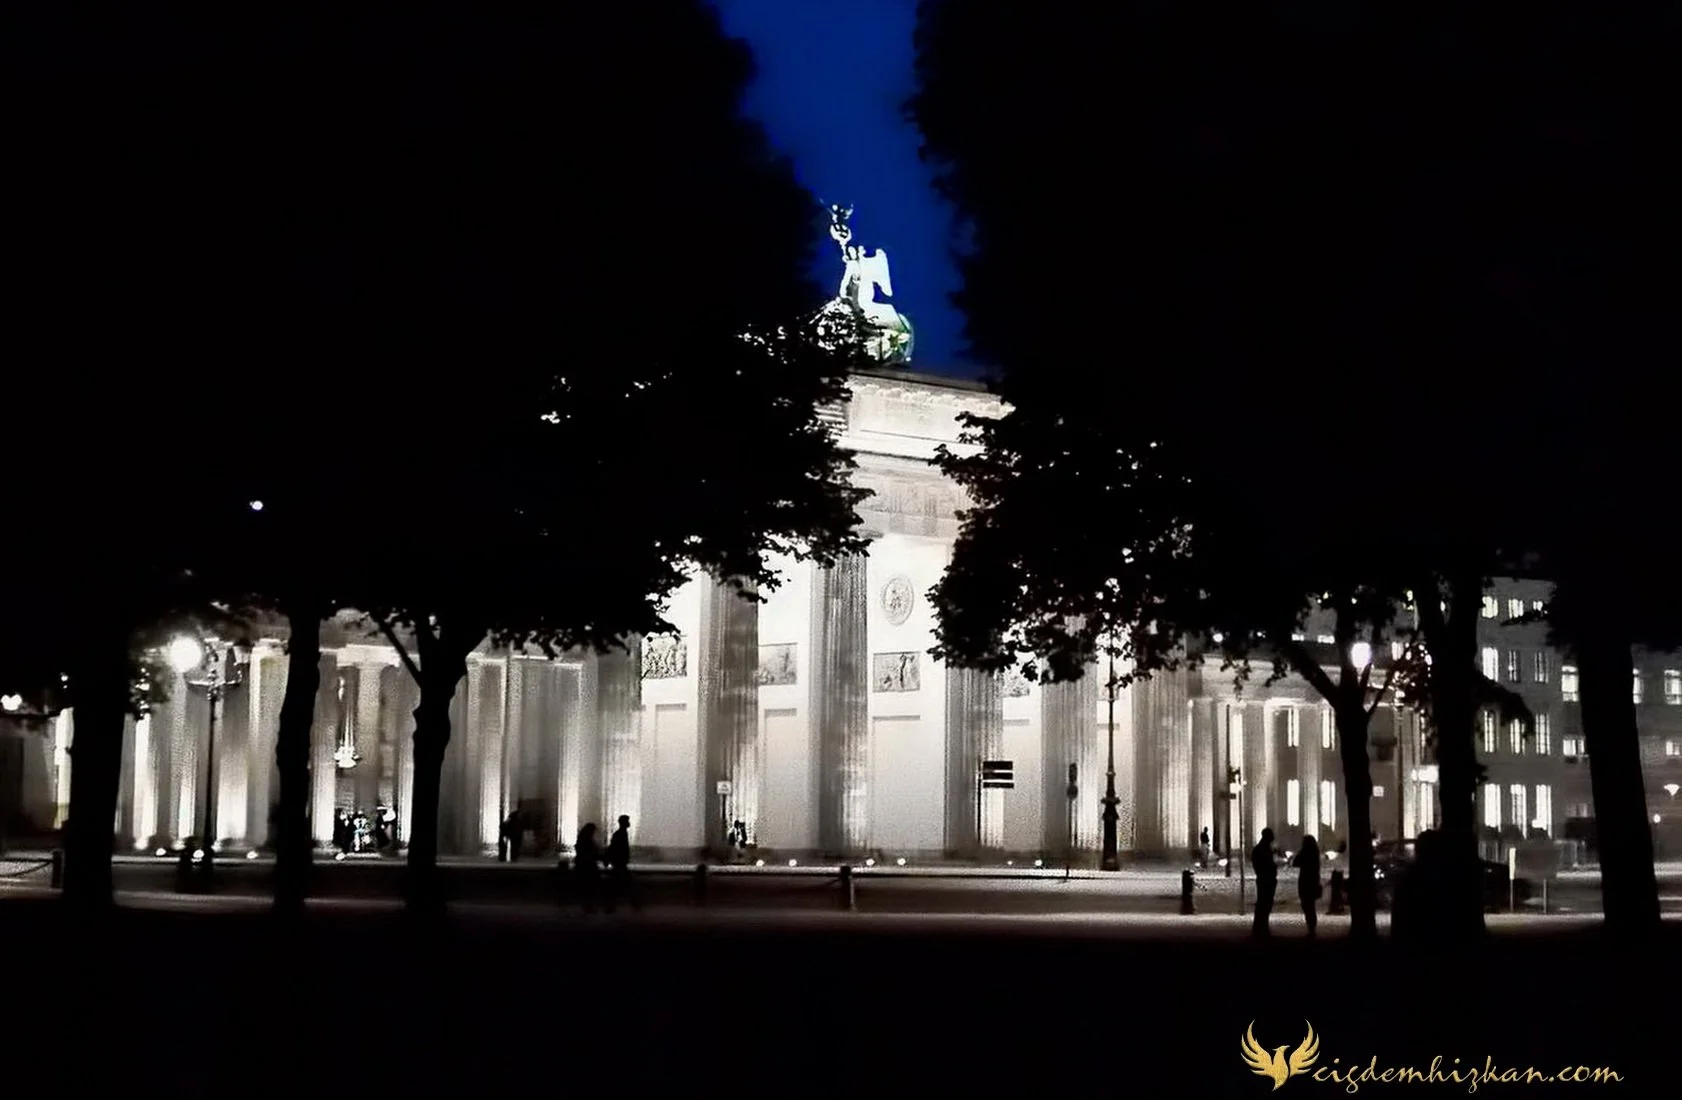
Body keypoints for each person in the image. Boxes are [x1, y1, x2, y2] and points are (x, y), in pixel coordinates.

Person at [605, 814, 637, 913]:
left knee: (618, 884)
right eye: (627, 821)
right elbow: (614, 848)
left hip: (619, 863)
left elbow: (612, 847)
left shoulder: (620, 833)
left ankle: (612, 905)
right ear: (623, 823)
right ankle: (634, 904)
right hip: (620, 864)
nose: (629, 823)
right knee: (625, 884)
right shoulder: (620, 834)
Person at [1292, 835, 1322, 936]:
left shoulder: (1305, 852)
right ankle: (1312, 927)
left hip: (1305, 881)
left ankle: (1311, 927)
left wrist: (1299, 852)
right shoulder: (1315, 852)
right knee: (1310, 905)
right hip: (1313, 881)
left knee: (1307, 905)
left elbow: (1296, 862)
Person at [1251, 827, 1278, 937]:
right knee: (1264, 904)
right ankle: (1261, 928)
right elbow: (1266, 864)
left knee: (1263, 904)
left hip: (1263, 878)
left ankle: (1260, 927)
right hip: (1266, 879)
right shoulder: (1263, 849)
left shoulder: (1261, 848)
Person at [572, 823, 602, 913]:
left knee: (586, 888)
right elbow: (591, 853)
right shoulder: (587, 841)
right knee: (589, 887)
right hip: (588, 867)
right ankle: (588, 906)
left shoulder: (582, 840)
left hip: (583, 867)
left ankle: (587, 906)